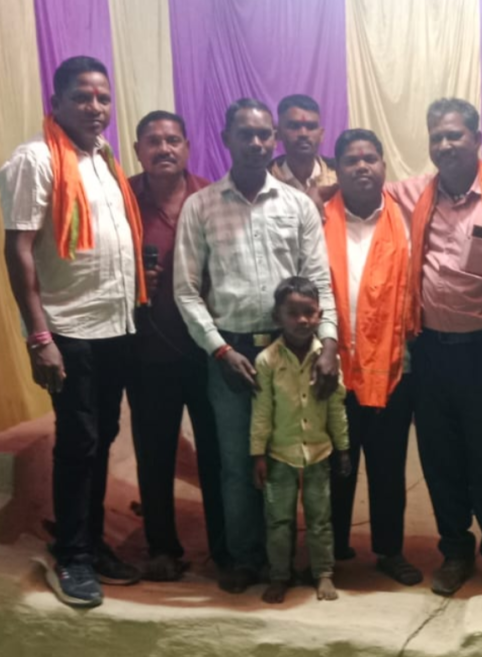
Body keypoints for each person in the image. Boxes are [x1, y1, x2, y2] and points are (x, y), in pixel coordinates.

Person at [174, 98, 339, 594]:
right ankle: (247, 558)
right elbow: (186, 290)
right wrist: (219, 350)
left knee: (295, 457)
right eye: (245, 134)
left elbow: (319, 282)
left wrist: (329, 344)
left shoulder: (297, 205)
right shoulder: (201, 206)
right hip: (231, 355)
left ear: (275, 139)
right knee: (237, 462)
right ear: (226, 139)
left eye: (265, 134)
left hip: (294, 354)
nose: (257, 143)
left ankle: (290, 560)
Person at [1, 56, 145, 607]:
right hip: (68, 327)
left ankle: (86, 538)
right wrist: (39, 338)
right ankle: (74, 558)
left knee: (102, 435)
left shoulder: (103, 160)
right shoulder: (35, 159)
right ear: (56, 102)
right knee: (79, 439)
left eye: (103, 98)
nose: (95, 107)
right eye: (82, 97)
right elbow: (18, 248)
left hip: (115, 324)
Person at [388, 98, 482, 596]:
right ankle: (455, 550)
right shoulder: (413, 196)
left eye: (455, 134)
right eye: (437, 136)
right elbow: (359, 188)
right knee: (440, 459)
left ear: (477, 138)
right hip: (430, 352)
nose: (445, 144)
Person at [126, 110, 226, 582]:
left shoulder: (212, 198)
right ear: (138, 150)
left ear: (188, 147)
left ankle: (226, 545)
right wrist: (133, 284)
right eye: (153, 141)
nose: (163, 149)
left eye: (172, 140)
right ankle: (162, 546)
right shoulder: (121, 198)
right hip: (147, 353)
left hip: (209, 353)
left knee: (217, 452)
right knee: (155, 452)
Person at [321, 128, 422, 585]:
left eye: (370, 158)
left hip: (393, 367)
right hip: (332, 366)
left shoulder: (407, 217)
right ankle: (332, 546)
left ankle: (389, 550)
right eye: (351, 160)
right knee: (335, 463)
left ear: (383, 165)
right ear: (337, 169)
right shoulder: (318, 218)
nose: (362, 166)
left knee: (387, 465)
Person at [251, 277, 349, 604]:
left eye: (309, 312)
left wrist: (343, 448)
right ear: (277, 317)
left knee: (320, 518)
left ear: (320, 315)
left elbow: (336, 408)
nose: (302, 320)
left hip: (319, 453)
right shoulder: (267, 361)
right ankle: (280, 575)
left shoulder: (328, 360)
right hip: (279, 455)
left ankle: (324, 572)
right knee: (278, 519)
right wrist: (257, 454)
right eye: (292, 313)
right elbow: (262, 412)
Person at [268, 94, 337, 195]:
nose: (303, 134)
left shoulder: (340, 178)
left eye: (311, 127)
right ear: (278, 133)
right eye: (294, 126)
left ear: (321, 135)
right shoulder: (264, 181)